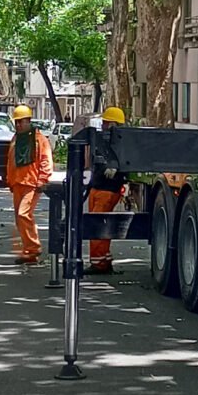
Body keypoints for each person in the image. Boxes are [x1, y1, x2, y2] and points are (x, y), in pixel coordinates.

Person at [5, 105, 53, 265]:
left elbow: (46, 161)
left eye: (21, 122)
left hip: (32, 184)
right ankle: (29, 251)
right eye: (16, 122)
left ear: (29, 121)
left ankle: (33, 248)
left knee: (23, 214)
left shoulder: (40, 140)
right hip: (17, 183)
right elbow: (10, 161)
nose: (18, 125)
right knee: (20, 219)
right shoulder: (15, 139)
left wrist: (42, 180)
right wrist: (9, 180)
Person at [87, 106, 126, 275]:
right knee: (97, 226)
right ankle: (104, 259)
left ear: (114, 124)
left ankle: (99, 263)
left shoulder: (121, 143)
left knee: (98, 228)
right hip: (98, 186)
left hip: (108, 189)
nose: (103, 125)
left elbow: (124, 161)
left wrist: (115, 168)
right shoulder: (106, 141)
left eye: (106, 123)